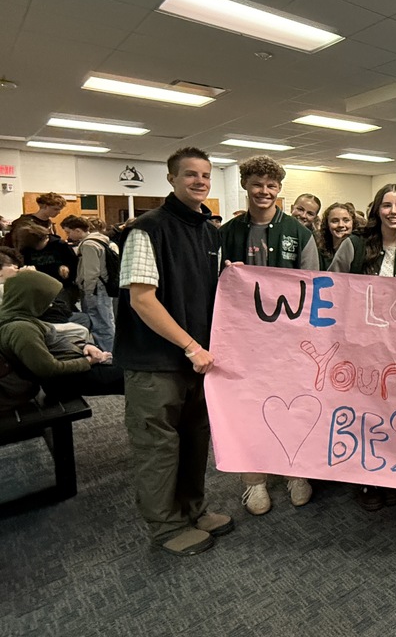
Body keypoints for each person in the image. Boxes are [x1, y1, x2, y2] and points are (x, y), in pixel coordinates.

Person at [115, 146, 234, 557]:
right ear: (171, 179)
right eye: (190, 174)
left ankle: (193, 509)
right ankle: (166, 526)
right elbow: (142, 299)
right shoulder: (147, 229)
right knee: (158, 446)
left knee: (195, 438)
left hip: (199, 361)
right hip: (157, 361)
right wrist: (189, 345)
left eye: (205, 175)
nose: (199, 181)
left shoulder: (210, 232)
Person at [220, 156, 319, 515]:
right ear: (245, 185)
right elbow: (212, 287)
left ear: (279, 189)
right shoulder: (226, 233)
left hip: (288, 340)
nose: (264, 191)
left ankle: (295, 471)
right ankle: (254, 480)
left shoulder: (299, 233)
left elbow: (314, 286)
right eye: (257, 184)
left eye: (271, 185)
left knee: (292, 404)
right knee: (247, 406)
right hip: (242, 340)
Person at [329, 184, 396, 511]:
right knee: (364, 410)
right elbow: (331, 286)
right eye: (387, 205)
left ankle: (390, 472)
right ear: (376, 209)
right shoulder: (354, 244)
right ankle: (365, 477)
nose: (393, 212)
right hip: (361, 345)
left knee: (395, 410)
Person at [0, 269, 123, 409]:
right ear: (31, 298)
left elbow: (54, 341)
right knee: (134, 376)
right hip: (65, 378)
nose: (51, 304)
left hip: (69, 367)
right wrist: (88, 361)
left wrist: (85, 345)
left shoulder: (17, 317)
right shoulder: (21, 329)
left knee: (129, 370)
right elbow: (48, 369)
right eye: (46, 299)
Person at [75, 216, 119, 353]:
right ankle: (110, 351)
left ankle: (107, 353)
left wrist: (88, 290)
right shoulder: (109, 243)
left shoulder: (89, 245)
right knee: (107, 320)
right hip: (107, 285)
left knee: (100, 321)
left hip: (96, 288)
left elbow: (91, 271)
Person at [2, 192, 66, 245]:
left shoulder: (50, 224)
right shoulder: (24, 223)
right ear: (45, 206)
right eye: (55, 209)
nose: (58, 212)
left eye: (59, 210)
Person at [319, 202, 359, 270]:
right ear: (327, 224)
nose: (341, 225)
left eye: (346, 220)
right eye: (335, 221)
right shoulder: (319, 251)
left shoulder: (359, 249)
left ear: (353, 223)